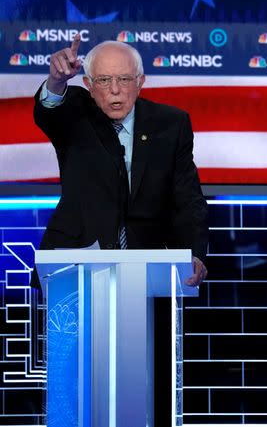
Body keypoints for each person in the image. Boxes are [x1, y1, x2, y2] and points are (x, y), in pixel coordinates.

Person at [34, 35, 209, 425]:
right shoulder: (74, 114)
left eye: (125, 81)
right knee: (74, 385)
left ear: (141, 81)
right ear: (88, 84)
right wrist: (56, 82)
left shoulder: (171, 124)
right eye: (104, 81)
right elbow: (49, 109)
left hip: (148, 273)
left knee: (146, 384)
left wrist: (194, 251)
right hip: (76, 265)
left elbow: (188, 197)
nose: (115, 91)